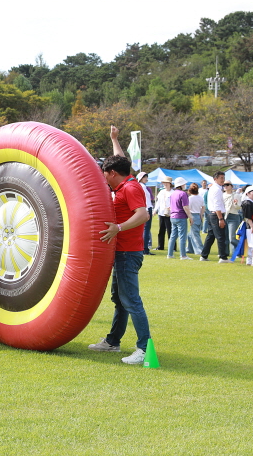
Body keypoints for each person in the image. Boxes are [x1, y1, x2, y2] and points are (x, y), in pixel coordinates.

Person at [88, 126, 151, 365]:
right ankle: (113, 341)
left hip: (128, 253)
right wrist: (114, 139)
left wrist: (118, 228)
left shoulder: (131, 188)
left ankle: (144, 349)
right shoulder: (124, 182)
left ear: (112, 173)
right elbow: (122, 160)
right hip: (122, 252)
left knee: (131, 300)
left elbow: (143, 215)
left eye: (105, 173)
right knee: (120, 299)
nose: (103, 178)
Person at [200, 171, 229, 263]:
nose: (223, 180)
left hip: (212, 214)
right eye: (221, 178)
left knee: (211, 236)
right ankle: (223, 257)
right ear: (215, 179)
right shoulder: (216, 189)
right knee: (221, 236)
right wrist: (220, 218)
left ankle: (204, 255)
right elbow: (217, 205)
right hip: (216, 214)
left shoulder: (214, 188)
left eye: (223, 178)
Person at [167, 177, 193, 260]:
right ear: (181, 185)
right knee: (182, 236)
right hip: (181, 216)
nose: (185, 185)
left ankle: (170, 254)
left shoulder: (173, 193)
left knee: (173, 236)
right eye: (184, 184)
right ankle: (183, 255)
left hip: (173, 216)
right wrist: (190, 217)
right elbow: (185, 207)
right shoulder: (183, 194)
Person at [136, 172, 154, 255]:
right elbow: (145, 199)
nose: (146, 179)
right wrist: (146, 210)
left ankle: (144, 247)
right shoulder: (142, 187)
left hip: (146, 208)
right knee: (146, 230)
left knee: (144, 230)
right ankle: (145, 249)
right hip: (146, 208)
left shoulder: (142, 186)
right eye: (144, 177)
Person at [222, 181, 241, 258]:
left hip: (233, 216)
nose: (225, 186)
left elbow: (239, 207)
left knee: (232, 237)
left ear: (231, 186)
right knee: (225, 236)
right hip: (224, 216)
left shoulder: (236, 195)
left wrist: (235, 204)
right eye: (224, 185)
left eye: (227, 185)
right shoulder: (222, 195)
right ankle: (225, 253)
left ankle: (236, 252)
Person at [153, 176, 172, 251]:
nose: (165, 184)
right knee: (161, 230)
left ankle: (172, 247)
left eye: (166, 183)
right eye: (164, 183)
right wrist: (155, 210)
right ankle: (160, 246)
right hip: (161, 213)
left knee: (170, 231)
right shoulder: (161, 192)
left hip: (169, 213)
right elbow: (158, 202)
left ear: (170, 183)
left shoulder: (172, 192)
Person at [186, 183, 205, 255]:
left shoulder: (190, 198)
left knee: (195, 234)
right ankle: (190, 249)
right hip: (198, 215)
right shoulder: (200, 197)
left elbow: (189, 208)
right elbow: (203, 207)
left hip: (192, 215)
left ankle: (200, 250)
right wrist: (201, 215)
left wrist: (190, 217)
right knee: (190, 234)